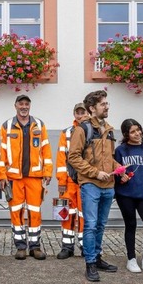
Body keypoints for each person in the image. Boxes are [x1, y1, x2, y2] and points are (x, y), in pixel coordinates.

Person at [68, 90, 120, 282]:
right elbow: (73, 157)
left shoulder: (109, 129)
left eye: (107, 103)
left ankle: (97, 258)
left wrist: (119, 169)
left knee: (100, 225)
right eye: (103, 104)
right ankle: (90, 263)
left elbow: (110, 158)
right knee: (90, 225)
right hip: (90, 184)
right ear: (92, 108)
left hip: (108, 184)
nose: (107, 106)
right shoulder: (83, 129)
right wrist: (95, 173)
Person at [0, 94, 53, 260]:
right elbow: (2, 153)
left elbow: (46, 150)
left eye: (27, 104)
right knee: (16, 212)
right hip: (14, 178)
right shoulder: (7, 125)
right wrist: (1, 175)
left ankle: (35, 247)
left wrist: (48, 171)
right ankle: (20, 246)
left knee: (35, 212)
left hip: (35, 177)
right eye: (21, 104)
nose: (24, 106)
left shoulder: (39, 125)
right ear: (15, 106)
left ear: (30, 106)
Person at [113, 119, 143, 274]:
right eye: (133, 131)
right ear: (126, 134)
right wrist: (121, 177)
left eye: (138, 130)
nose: (137, 133)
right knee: (131, 225)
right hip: (125, 194)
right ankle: (131, 259)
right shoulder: (121, 150)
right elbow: (116, 172)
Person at [55, 103, 89, 260]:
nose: (80, 115)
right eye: (78, 112)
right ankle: (67, 246)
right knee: (66, 213)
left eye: (83, 112)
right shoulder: (66, 133)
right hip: (68, 181)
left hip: (85, 180)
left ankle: (85, 246)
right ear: (74, 114)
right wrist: (61, 181)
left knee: (85, 214)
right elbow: (61, 158)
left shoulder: (92, 131)